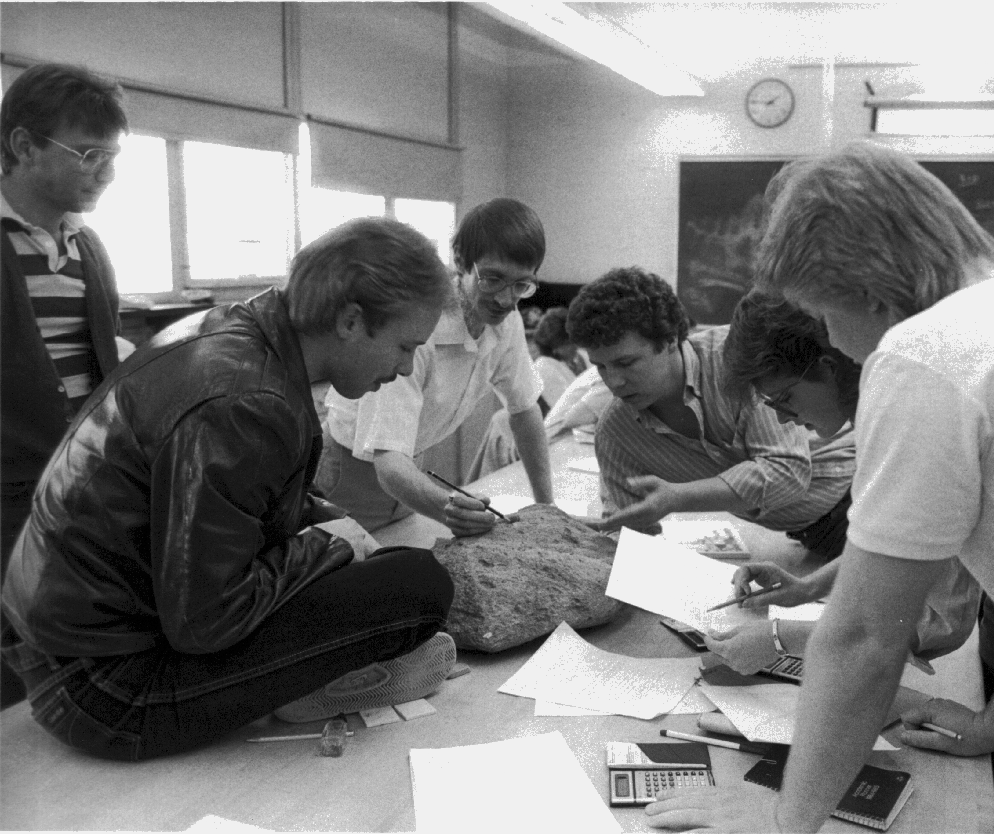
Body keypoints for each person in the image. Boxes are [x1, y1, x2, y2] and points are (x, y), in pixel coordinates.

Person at [645, 142, 994, 833]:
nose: (839, 346)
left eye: (825, 315)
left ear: (868, 289)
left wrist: (786, 822)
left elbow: (865, 638)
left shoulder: (928, 352)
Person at [1, 217, 458, 760]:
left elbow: (241, 505)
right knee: (419, 582)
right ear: (352, 321)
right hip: (105, 693)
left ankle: (311, 668)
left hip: (67, 643)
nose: (406, 368)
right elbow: (206, 620)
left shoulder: (237, 334)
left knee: (362, 557)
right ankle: (311, 680)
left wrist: (328, 524)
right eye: (404, 347)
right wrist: (329, 543)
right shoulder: (246, 399)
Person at [705, 289, 979, 679]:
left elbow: (942, 618)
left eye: (783, 397)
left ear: (829, 364)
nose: (783, 420)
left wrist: (785, 638)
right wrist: (807, 587)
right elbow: (888, 547)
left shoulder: (923, 423)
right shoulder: (875, 415)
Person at [1, 62, 129, 709]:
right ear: (23, 146)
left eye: (110, 157)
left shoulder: (88, 249)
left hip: (78, 485)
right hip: (6, 489)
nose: (103, 172)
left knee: (63, 645)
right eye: (88, 154)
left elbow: (103, 358)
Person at [318, 198, 554, 535]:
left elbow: (524, 410)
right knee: (346, 570)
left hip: (408, 469)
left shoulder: (507, 321)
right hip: (349, 472)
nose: (505, 299)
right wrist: (449, 509)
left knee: (408, 556)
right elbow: (386, 459)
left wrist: (547, 507)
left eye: (521, 284)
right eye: (492, 279)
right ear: (461, 262)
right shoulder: (420, 329)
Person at [565, 267, 855, 539]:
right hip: (810, 536)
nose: (613, 382)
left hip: (857, 496)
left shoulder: (739, 357)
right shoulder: (616, 434)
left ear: (669, 340)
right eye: (600, 367)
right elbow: (630, 533)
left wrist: (680, 497)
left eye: (626, 363)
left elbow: (788, 473)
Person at [467, 306, 587, 480]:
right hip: (536, 434)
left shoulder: (578, 359)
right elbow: (567, 411)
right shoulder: (545, 367)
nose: (576, 348)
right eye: (570, 345)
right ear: (557, 347)